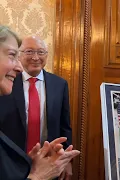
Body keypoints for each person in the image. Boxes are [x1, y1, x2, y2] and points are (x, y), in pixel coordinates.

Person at [0, 25, 80, 180]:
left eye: (41, 52)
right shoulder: (8, 83)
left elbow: (65, 125)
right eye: (29, 52)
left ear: (47, 55)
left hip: (47, 162)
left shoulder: (60, 84)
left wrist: (66, 161)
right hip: (11, 163)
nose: (35, 57)